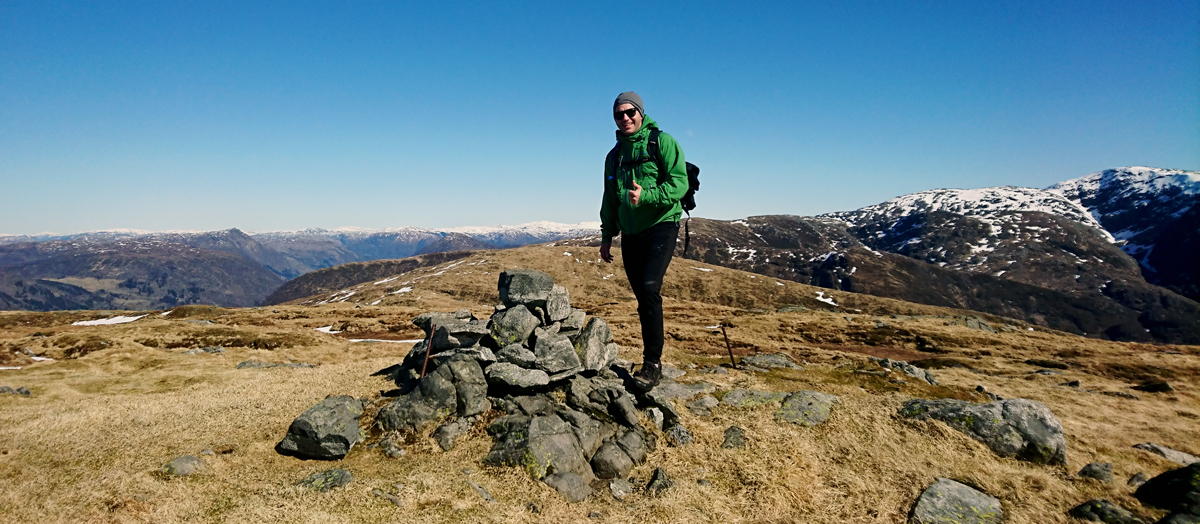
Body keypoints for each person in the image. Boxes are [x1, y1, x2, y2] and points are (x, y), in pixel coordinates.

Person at [599, 91, 690, 391]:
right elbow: (610, 200)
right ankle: (650, 358)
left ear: (640, 112)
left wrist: (646, 196)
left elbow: (679, 184)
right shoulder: (614, 157)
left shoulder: (662, 143)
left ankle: (652, 364)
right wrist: (606, 237)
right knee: (643, 299)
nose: (625, 118)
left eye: (630, 112)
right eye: (618, 114)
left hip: (661, 225)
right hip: (631, 233)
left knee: (650, 288)